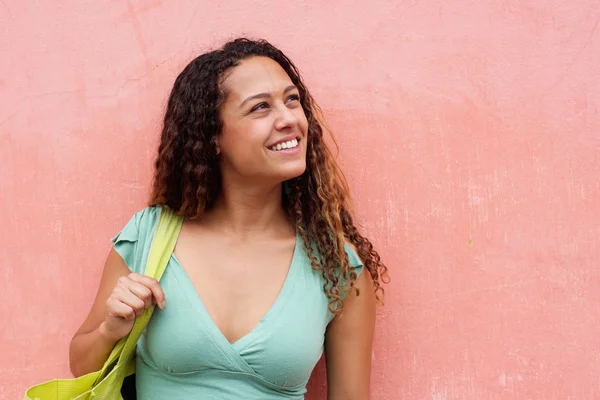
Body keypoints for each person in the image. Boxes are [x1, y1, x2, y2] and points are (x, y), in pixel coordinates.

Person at [68, 38, 388, 399]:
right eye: (260, 108)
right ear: (213, 136)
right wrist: (111, 329)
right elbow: (82, 367)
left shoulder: (337, 266)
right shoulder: (149, 237)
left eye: (292, 99)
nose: (289, 119)